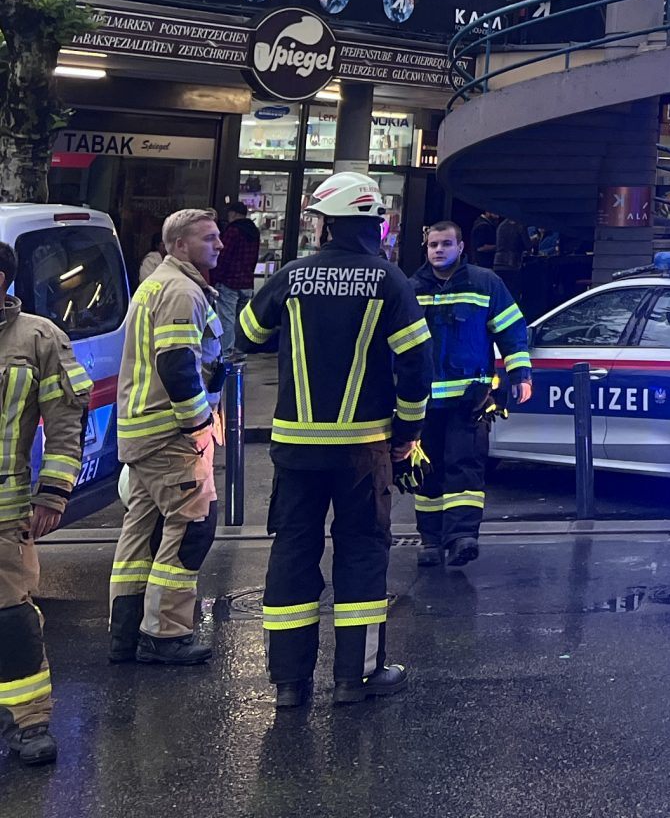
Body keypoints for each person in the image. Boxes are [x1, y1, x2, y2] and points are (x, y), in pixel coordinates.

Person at [238, 168, 430, 710]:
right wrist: (408, 431)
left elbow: (247, 333)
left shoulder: (293, 277)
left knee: (294, 550)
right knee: (363, 552)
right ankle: (357, 677)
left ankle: (289, 684)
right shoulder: (390, 281)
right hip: (365, 449)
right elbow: (416, 366)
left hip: (296, 448)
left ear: (326, 225)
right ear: (375, 223)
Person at [111, 208, 223, 669]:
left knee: (140, 534)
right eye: (209, 238)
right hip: (171, 434)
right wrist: (199, 428)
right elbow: (177, 364)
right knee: (193, 527)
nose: (220, 245)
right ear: (180, 245)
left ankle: (125, 635)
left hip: (144, 432)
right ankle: (165, 635)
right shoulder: (180, 290)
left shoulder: (157, 284)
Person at [0, 240, 91, 767]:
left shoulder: (37, 337)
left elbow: (64, 422)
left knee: (10, 619)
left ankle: (27, 723)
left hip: (5, 513)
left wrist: (54, 491)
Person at [409, 222, 533, 569]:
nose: (438, 250)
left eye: (446, 243)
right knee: (426, 472)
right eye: (433, 244)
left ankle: (462, 537)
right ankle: (431, 540)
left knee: (466, 468)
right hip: (424, 401)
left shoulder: (485, 283)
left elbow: (511, 329)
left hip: (471, 398)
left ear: (461, 247)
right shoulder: (411, 287)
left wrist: (520, 374)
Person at [211, 201, 261, 361]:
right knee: (242, 320)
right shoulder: (254, 231)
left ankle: (225, 354)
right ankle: (240, 351)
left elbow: (223, 257)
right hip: (247, 282)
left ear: (233, 214)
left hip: (229, 282)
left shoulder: (233, 231)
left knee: (226, 318)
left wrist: (215, 277)